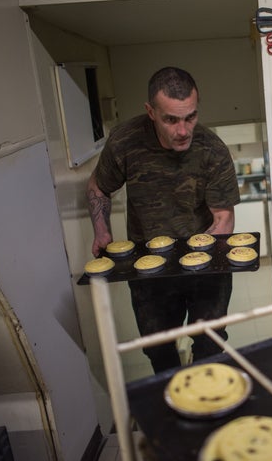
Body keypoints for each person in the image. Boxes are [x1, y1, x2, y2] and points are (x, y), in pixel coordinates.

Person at [86, 67, 240, 373]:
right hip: (149, 272)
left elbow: (223, 217)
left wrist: (197, 262)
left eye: (190, 117)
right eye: (171, 119)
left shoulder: (212, 150)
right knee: (158, 349)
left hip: (205, 267)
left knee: (210, 345)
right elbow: (98, 187)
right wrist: (101, 230)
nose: (183, 130)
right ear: (151, 112)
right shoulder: (126, 141)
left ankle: (203, 406)